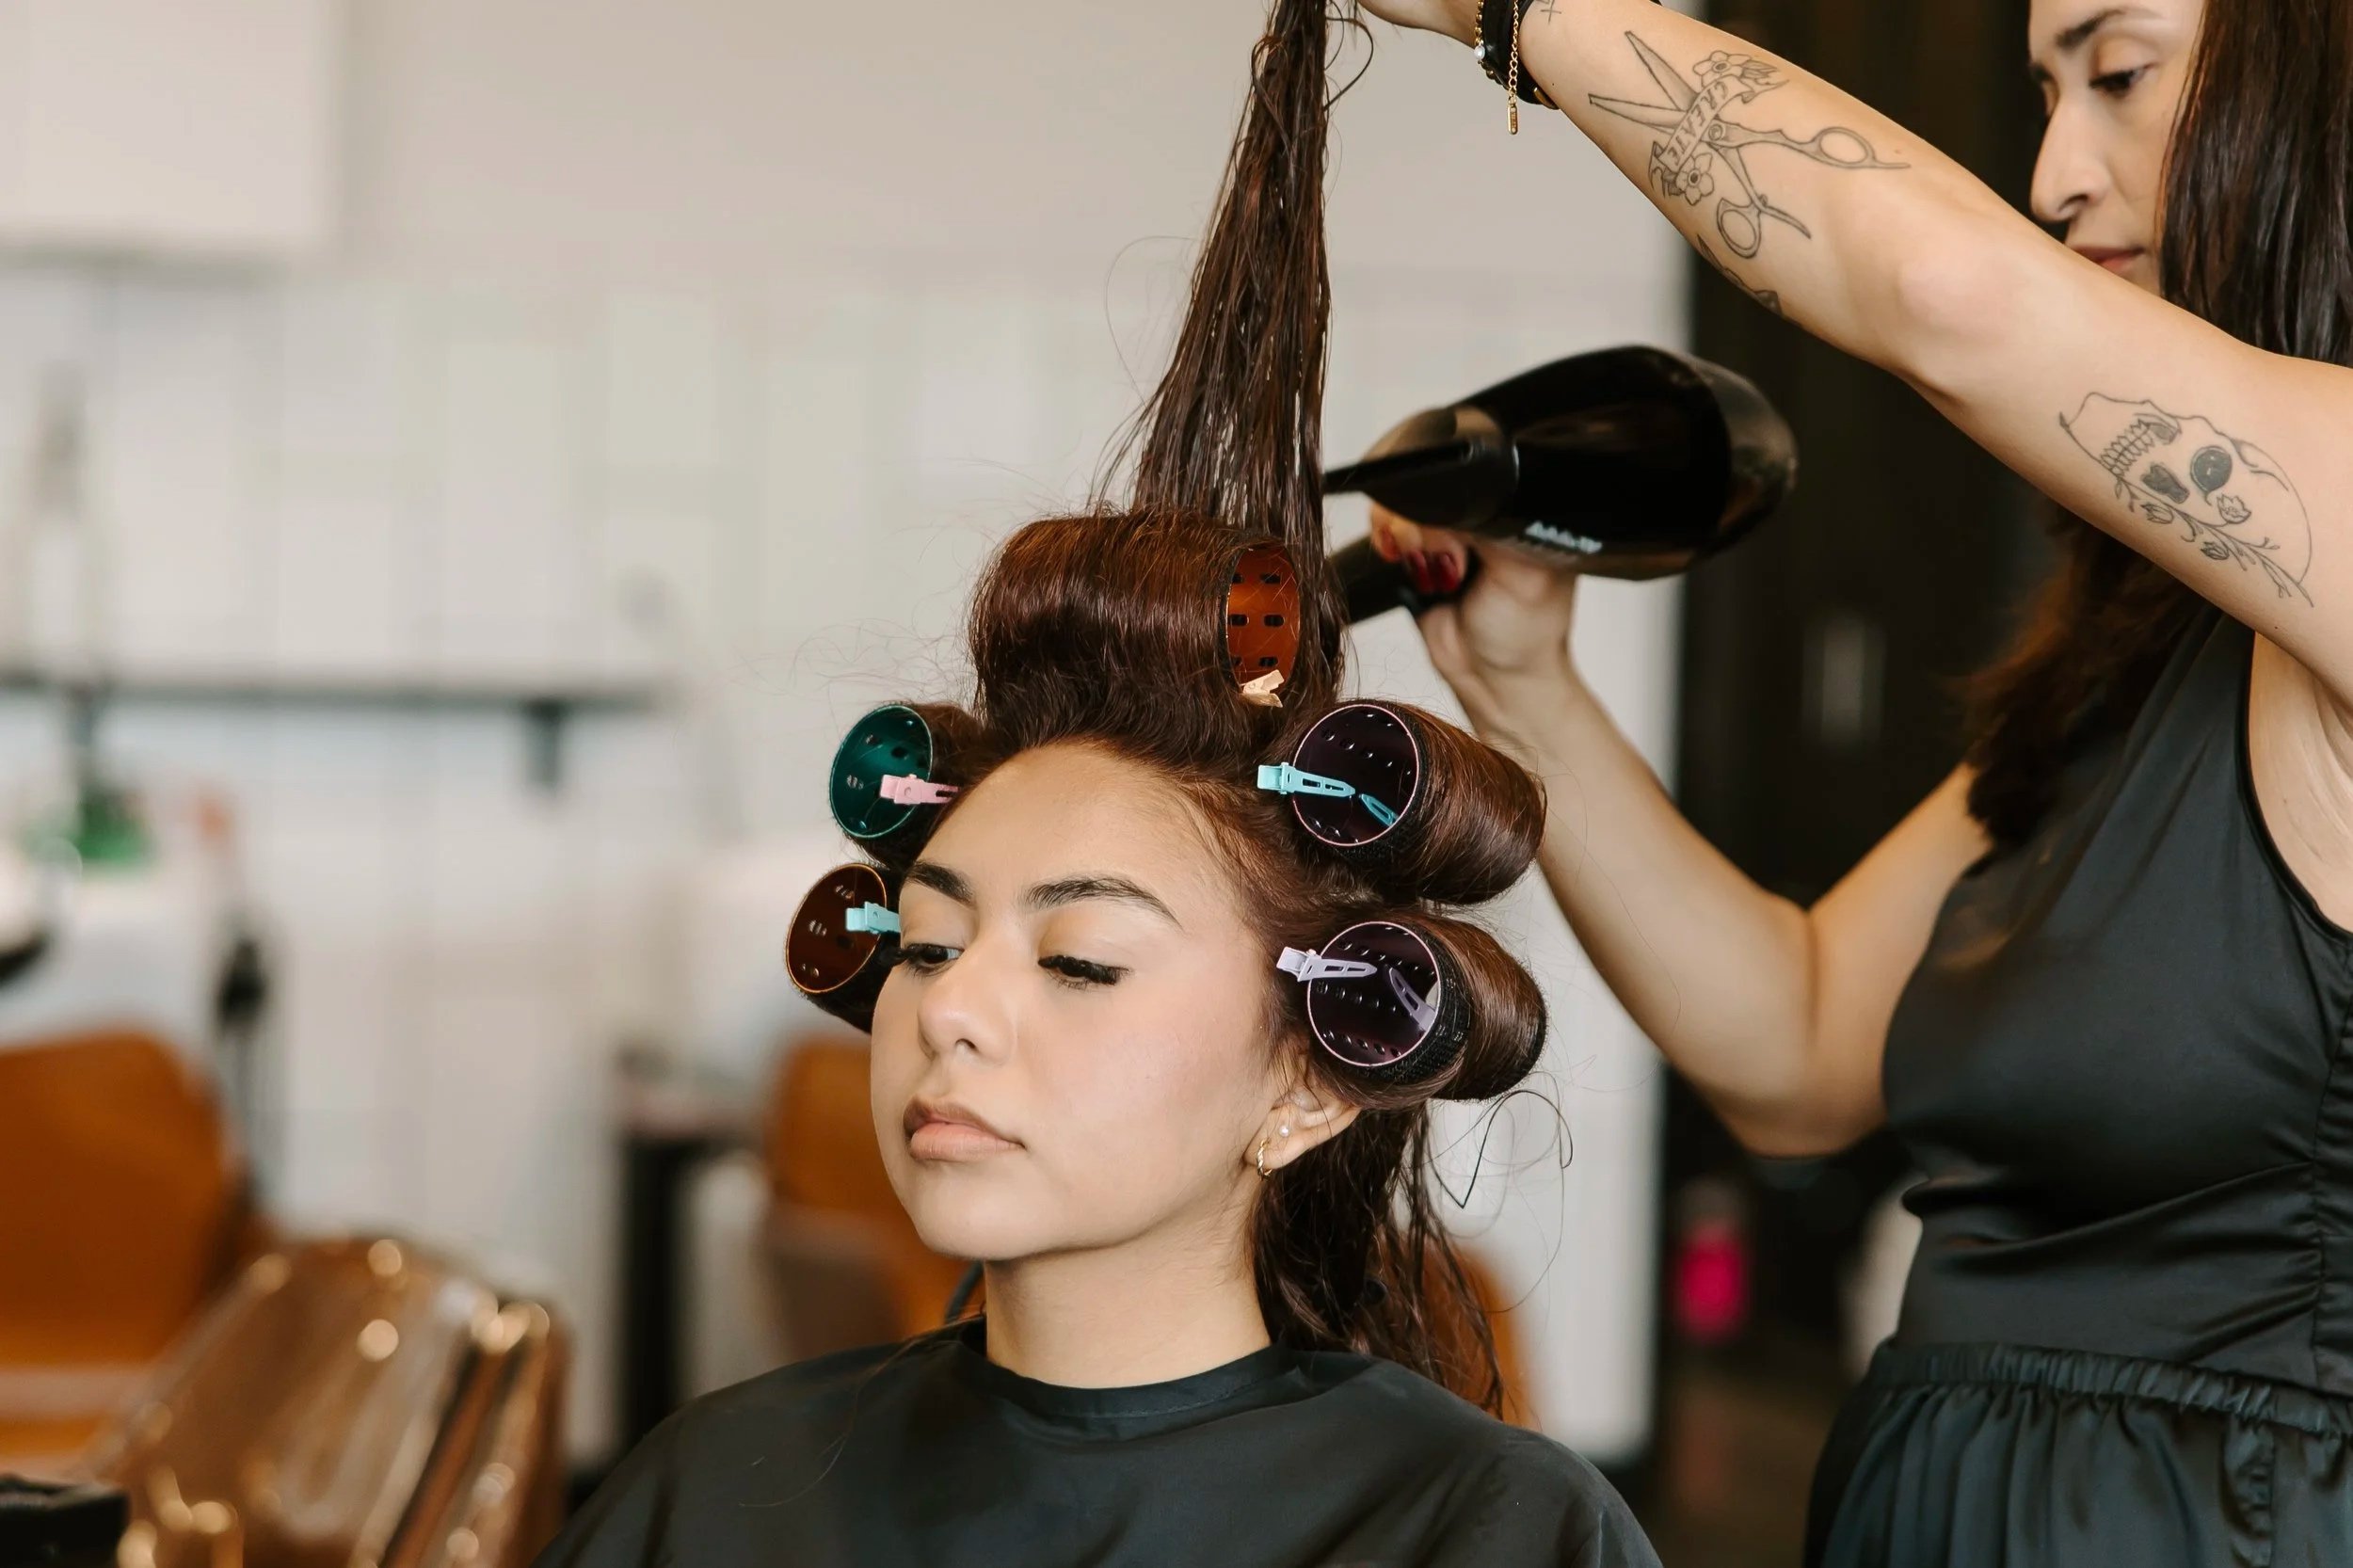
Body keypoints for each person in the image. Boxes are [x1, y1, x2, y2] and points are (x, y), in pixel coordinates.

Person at [534, 3, 1658, 1564]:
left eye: (1079, 957)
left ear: (1306, 1081)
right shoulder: (723, 1491)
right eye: (927, 943)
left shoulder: (1480, 1530)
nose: (953, 1011)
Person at [1352, 0, 2353, 1561]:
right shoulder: (2151, 653)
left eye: (2120, 75)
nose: (2053, 178)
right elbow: (1797, 1047)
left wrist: (1519, 11)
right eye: (2042, 93)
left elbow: (1948, 294)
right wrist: (1518, 682)